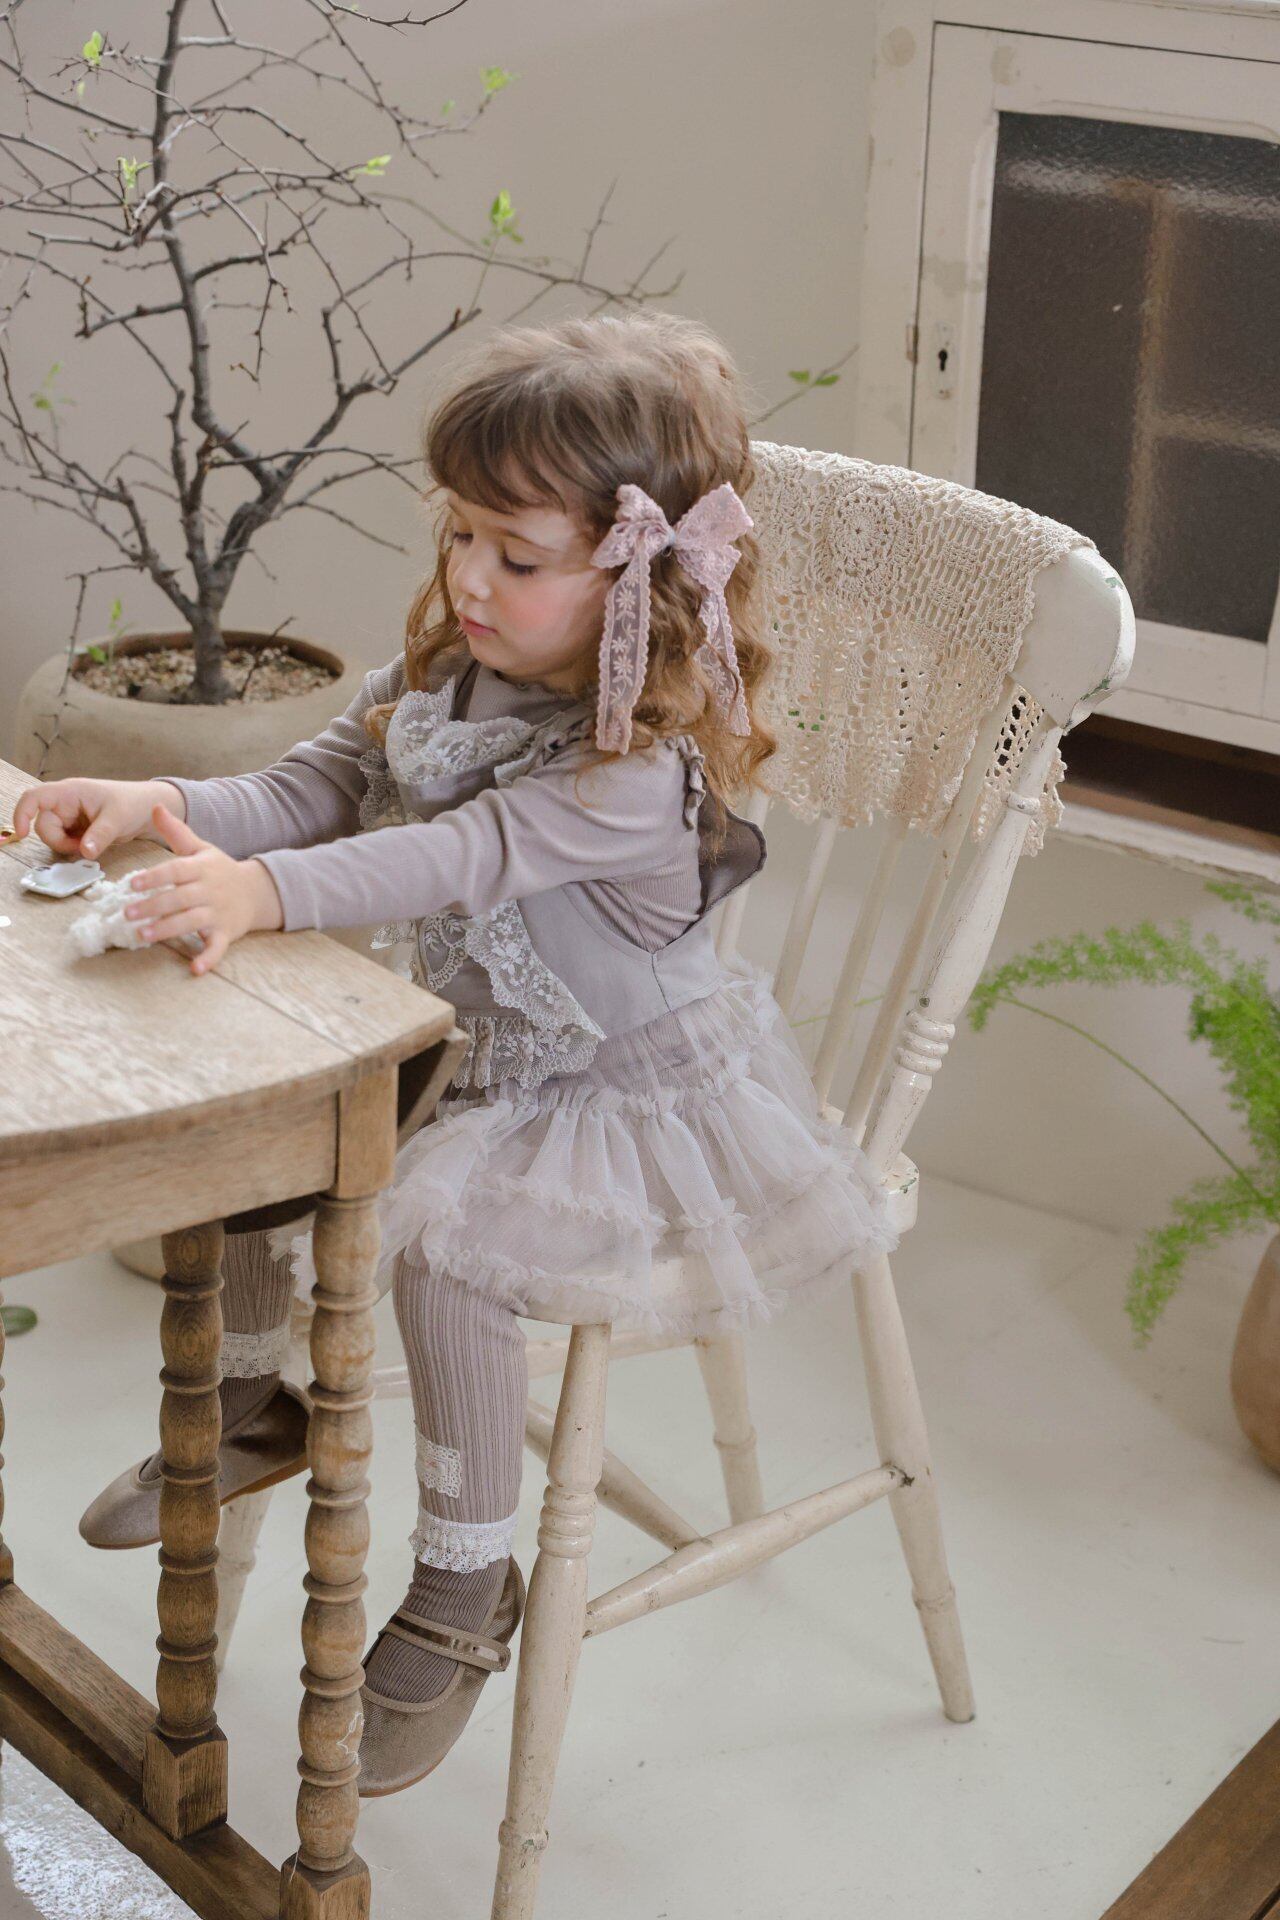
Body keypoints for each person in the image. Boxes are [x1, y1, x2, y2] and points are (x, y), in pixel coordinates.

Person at [13, 309, 898, 1794]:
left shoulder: (629, 769)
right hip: (467, 1057)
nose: (472, 579)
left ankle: (465, 1585)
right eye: (462, 534)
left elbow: (458, 852)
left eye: (518, 556)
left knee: (446, 1254)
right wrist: (161, 807)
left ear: (633, 580)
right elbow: (326, 778)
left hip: (614, 1098)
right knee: (263, 1128)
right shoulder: (454, 664)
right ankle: (256, 1399)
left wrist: (264, 894)